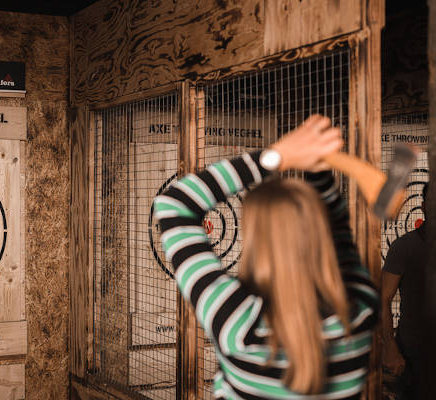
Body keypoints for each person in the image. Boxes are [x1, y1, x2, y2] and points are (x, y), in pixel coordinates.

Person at [153, 115, 379, 399]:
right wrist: (317, 171)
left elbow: (176, 202)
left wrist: (278, 157)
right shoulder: (360, 313)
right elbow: (342, 243)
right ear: (320, 234)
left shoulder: (235, 321)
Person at [381, 182, 429, 400]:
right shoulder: (405, 246)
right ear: (424, 206)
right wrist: (390, 346)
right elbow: (382, 300)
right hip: (413, 355)